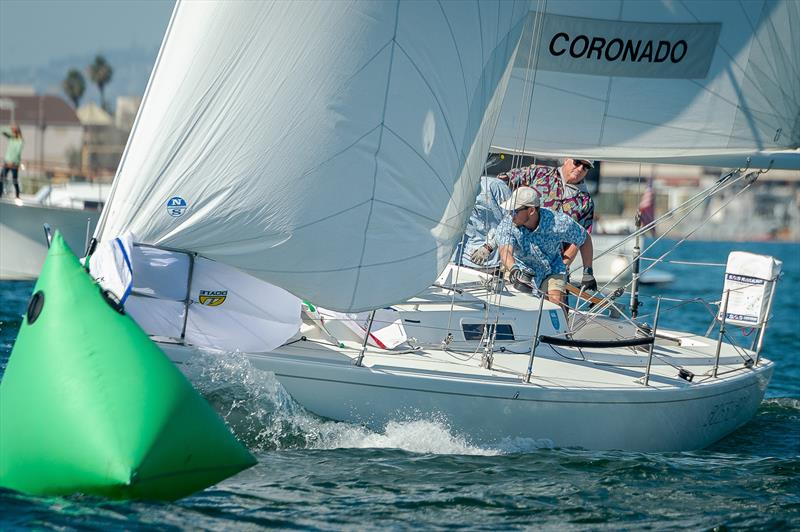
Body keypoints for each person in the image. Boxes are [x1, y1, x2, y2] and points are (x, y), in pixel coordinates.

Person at [496, 187, 596, 306]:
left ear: (531, 210)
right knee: (517, 303)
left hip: (552, 269)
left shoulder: (557, 222)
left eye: (515, 211)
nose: (511, 214)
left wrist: (588, 272)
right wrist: (513, 268)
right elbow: (505, 251)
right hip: (520, 269)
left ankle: (562, 322)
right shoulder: (508, 223)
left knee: (555, 302)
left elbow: (584, 238)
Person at [498, 158, 594, 266]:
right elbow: (505, 181)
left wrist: (562, 267)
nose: (580, 168)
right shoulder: (540, 173)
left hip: (552, 264)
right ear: (567, 159)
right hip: (519, 259)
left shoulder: (586, 201)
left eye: (586, 167)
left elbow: (580, 238)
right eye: (577, 162)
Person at [453, 175, 511, 270]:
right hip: (458, 258)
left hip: (488, 261)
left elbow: (512, 220)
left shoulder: (495, 186)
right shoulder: (454, 190)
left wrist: (490, 245)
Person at [1, 125, 24, 199]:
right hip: (7, 162)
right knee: (1, 178)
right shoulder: (11, 138)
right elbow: (2, 131)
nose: (12, 133)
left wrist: (12, 162)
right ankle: (0, 193)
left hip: (14, 163)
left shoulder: (20, 141)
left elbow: (17, 152)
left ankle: (17, 195)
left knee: (14, 180)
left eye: (14, 131)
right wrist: (9, 128)